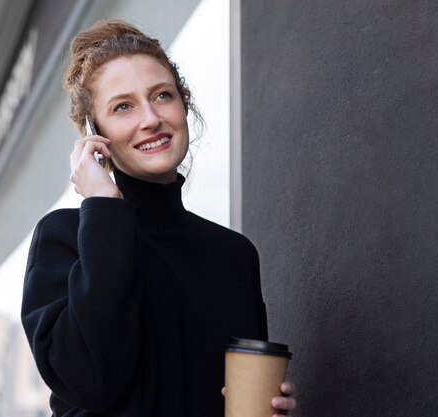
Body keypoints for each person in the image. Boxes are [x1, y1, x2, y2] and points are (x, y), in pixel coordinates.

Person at [21, 19, 297, 417]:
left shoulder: (234, 255)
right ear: (95, 135)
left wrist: (270, 406)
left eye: (162, 96)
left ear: (183, 106)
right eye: (123, 107)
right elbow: (94, 383)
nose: (150, 118)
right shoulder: (65, 237)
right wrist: (103, 205)